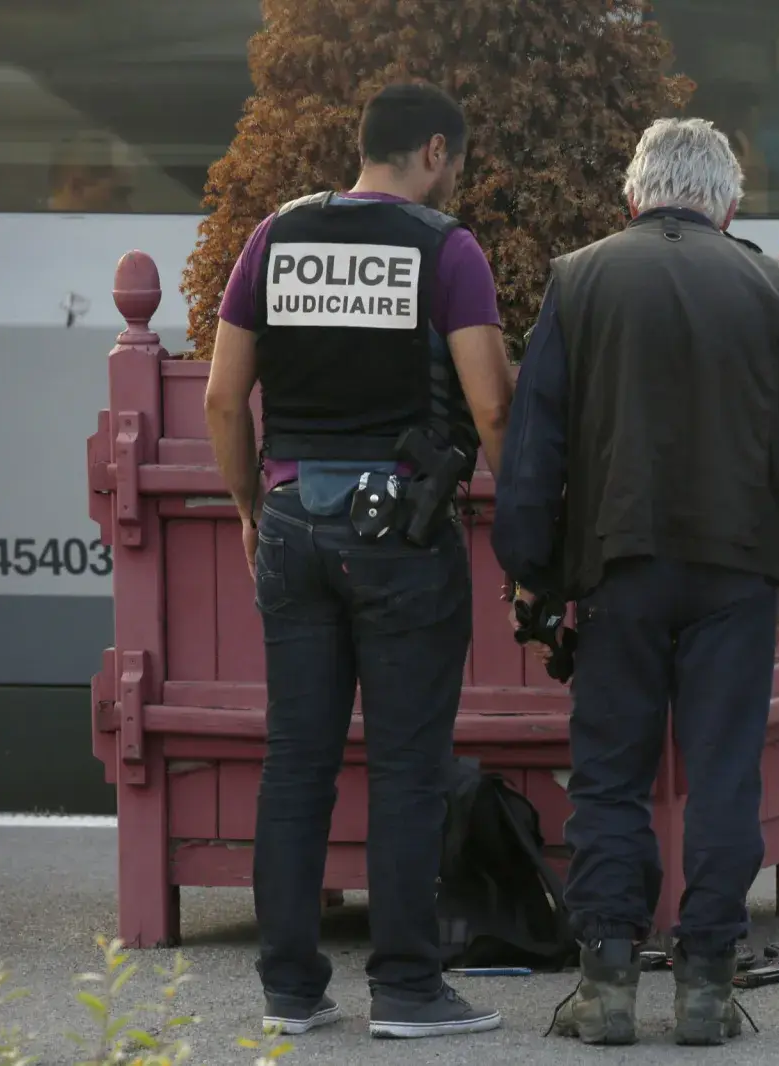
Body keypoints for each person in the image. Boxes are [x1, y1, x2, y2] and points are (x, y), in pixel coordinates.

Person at [491, 116, 779, 1047]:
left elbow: (535, 445)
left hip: (620, 569)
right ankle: (705, 987)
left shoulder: (580, 279)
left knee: (610, 777)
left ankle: (607, 983)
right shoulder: (769, 288)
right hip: (738, 573)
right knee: (725, 775)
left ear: (632, 197)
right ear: (727, 206)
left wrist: (532, 569)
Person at [203, 81, 513, 1040]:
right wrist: (532, 530)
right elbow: (493, 408)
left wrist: (251, 505)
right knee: (408, 768)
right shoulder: (446, 250)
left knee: (296, 764)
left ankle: (291, 991)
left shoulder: (273, 237)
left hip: (293, 522)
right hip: (401, 537)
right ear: (433, 151)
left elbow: (223, 398)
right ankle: (408, 990)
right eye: (455, 162)